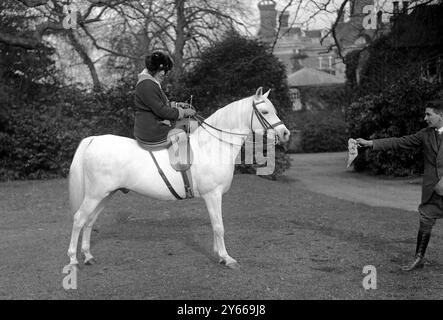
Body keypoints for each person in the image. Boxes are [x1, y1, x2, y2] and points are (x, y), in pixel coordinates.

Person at [357, 99, 443, 271]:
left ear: (441, 115)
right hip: (432, 189)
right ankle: (419, 258)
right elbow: (399, 141)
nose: (425, 118)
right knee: (425, 219)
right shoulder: (425, 134)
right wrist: (371, 143)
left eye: (429, 114)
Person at [134, 51, 196, 145]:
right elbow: (161, 111)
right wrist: (183, 112)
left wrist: (176, 105)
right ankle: (183, 159)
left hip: (152, 126)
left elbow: (158, 104)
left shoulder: (150, 82)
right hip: (152, 130)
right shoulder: (147, 85)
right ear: (156, 69)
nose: (164, 74)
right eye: (162, 70)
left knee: (190, 123)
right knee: (191, 125)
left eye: (165, 71)